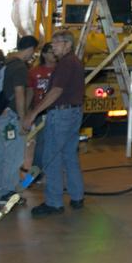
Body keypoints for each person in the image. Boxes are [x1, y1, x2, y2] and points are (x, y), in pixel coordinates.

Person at [23, 29, 85, 216]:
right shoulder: (75, 62)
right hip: (74, 113)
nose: (53, 46)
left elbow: (56, 91)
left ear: (68, 44)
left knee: (51, 157)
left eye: (57, 42)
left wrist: (33, 113)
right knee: (69, 155)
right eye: (53, 42)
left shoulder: (66, 63)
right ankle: (77, 196)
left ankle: (54, 202)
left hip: (61, 115)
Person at [0, 35, 36, 207]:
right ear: (30, 49)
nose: (32, 55)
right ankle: (7, 193)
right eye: (33, 51)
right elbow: (19, 93)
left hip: (0, 116)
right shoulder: (20, 67)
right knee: (13, 157)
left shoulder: (5, 62)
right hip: (11, 119)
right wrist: (22, 119)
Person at [23, 46, 56, 178]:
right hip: (40, 112)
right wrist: (27, 113)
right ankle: (35, 174)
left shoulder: (60, 70)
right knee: (41, 142)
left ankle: (53, 172)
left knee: (57, 143)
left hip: (57, 112)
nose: (54, 54)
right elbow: (30, 92)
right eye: (51, 52)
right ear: (44, 54)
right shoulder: (34, 72)